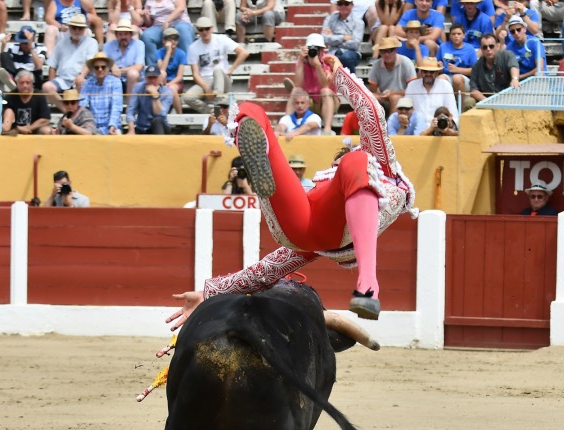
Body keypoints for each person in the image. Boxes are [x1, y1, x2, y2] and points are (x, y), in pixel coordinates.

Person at [170, 54, 417, 323]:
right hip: (306, 226)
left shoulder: (379, 165)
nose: (336, 171)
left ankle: (368, 286)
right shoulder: (325, 195)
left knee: (356, 162)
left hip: (335, 227)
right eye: (334, 167)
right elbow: (265, 271)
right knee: (253, 111)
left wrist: (340, 79)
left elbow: (372, 114)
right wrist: (208, 293)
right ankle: (250, 136)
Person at [183, 16, 250, 114]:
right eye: (201, 29)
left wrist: (231, 70)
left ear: (212, 28)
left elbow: (244, 52)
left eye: (207, 29)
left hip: (222, 77)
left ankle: (218, 99)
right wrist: (207, 88)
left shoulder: (221, 39)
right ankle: (210, 111)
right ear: (197, 30)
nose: (204, 32)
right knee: (187, 97)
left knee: (217, 70)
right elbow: (195, 74)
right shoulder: (193, 47)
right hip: (206, 80)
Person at [42, 13, 98, 111]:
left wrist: (81, 75)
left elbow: (90, 62)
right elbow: (52, 66)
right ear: (70, 28)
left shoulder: (91, 42)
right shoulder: (61, 43)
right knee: (47, 86)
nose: (77, 31)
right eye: (74, 27)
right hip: (63, 80)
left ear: (84, 29)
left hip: (83, 79)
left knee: (81, 82)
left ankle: (79, 112)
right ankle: (67, 111)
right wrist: (51, 81)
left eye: (80, 28)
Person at [288, 34, 337, 135]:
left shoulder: (328, 60)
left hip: (327, 100)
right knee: (295, 91)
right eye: (311, 48)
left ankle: (327, 128)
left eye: (317, 48)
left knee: (325, 91)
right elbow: (297, 84)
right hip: (309, 100)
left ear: (322, 49)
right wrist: (301, 62)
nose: (314, 51)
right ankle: (287, 125)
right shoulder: (302, 60)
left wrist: (318, 66)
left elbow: (325, 85)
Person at [404, 56, 458, 130]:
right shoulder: (412, 85)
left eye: (431, 72)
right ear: (421, 72)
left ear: (437, 73)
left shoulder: (445, 85)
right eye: (425, 71)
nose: (428, 74)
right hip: (416, 129)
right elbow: (406, 111)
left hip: (439, 129)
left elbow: (453, 113)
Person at [468, 33, 519, 107]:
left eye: (491, 46)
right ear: (481, 49)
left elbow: (513, 66)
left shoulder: (507, 55)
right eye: (485, 47)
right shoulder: (476, 66)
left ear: (497, 46)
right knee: (468, 102)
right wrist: (486, 101)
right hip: (487, 100)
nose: (488, 49)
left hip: (508, 98)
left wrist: (514, 79)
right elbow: (473, 90)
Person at [139, 0, 193, 66]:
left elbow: (181, 8)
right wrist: (146, 16)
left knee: (182, 29)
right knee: (147, 36)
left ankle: (187, 64)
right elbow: (149, 24)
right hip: (159, 26)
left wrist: (167, 20)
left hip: (179, 22)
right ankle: (153, 67)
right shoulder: (150, 1)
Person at [368, 37, 415, 113]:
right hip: (384, 97)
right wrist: (382, 95)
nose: (386, 54)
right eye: (383, 51)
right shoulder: (376, 65)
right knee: (370, 98)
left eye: (389, 51)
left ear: (396, 50)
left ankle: (392, 124)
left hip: (404, 98)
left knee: (395, 98)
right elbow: (373, 90)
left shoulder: (406, 62)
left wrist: (392, 93)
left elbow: (413, 90)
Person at [82, 52, 123, 134]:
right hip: (92, 126)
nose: (100, 69)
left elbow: (116, 106)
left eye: (103, 67)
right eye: (97, 67)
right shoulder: (88, 83)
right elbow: (82, 103)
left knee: (117, 134)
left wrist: (112, 125)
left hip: (110, 125)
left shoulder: (116, 82)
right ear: (93, 69)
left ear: (108, 68)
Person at [3, 69, 52, 135]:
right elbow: (5, 119)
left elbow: (46, 119)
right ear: (17, 83)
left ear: (32, 83)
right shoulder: (10, 96)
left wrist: (29, 128)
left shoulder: (39, 96)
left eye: (27, 82)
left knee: (47, 130)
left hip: (34, 129)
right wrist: (18, 128)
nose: (25, 85)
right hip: (15, 130)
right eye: (22, 83)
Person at [322, 0, 365, 74]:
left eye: (346, 4)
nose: (343, 6)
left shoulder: (358, 22)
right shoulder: (330, 19)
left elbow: (355, 44)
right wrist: (343, 38)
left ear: (352, 5)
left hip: (352, 53)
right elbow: (324, 39)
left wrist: (333, 38)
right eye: (340, 4)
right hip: (333, 52)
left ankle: (350, 83)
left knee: (345, 58)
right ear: (337, 5)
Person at [437, 23, 478, 100]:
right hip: (447, 75)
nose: (456, 36)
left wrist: (457, 70)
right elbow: (437, 63)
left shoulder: (470, 49)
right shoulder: (443, 47)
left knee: (457, 78)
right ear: (450, 36)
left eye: (459, 34)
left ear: (464, 35)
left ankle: (460, 108)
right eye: (453, 34)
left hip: (464, 78)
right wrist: (439, 66)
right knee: (440, 78)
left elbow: (475, 71)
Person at [126, 64, 171, 134]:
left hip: (161, 128)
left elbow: (161, 114)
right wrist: (131, 130)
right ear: (145, 78)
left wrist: (155, 96)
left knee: (157, 121)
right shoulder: (138, 88)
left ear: (159, 78)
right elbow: (131, 110)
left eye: (155, 77)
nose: (152, 80)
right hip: (142, 127)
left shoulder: (167, 92)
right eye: (150, 78)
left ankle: (160, 144)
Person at [0, 26, 46, 92]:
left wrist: (31, 47)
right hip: (17, 75)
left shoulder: (41, 48)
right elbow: (2, 64)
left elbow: (39, 66)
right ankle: (11, 81)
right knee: (4, 54)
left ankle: (15, 84)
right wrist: (3, 45)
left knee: (22, 71)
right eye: (23, 43)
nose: (25, 45)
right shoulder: (13, 47)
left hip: (33, 76)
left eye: (26, 43)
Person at [103, 18, 144, 93]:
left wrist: (119, 71)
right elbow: (103, 62)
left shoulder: (139, 44)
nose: (123, 37)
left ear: (131, 35)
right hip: (113, 78)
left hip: (133, 80)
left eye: (126, 34)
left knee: (133, 74)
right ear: (116, 35)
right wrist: (112, 66)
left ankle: (131, 105)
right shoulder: (108, 45)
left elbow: (138, 66)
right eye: (120, 34)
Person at [155, 27, 184, 114]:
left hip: (175, 82)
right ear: (164, 41)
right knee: (162, 75)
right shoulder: (159, 52)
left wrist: (170, 84)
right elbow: (161, 71)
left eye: (175, 38)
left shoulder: (181, 53)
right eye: (169, 39)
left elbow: (179, 76)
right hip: (162, 80)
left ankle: (180, 115)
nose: (173, 41)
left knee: (172, 88)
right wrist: (168, 52)